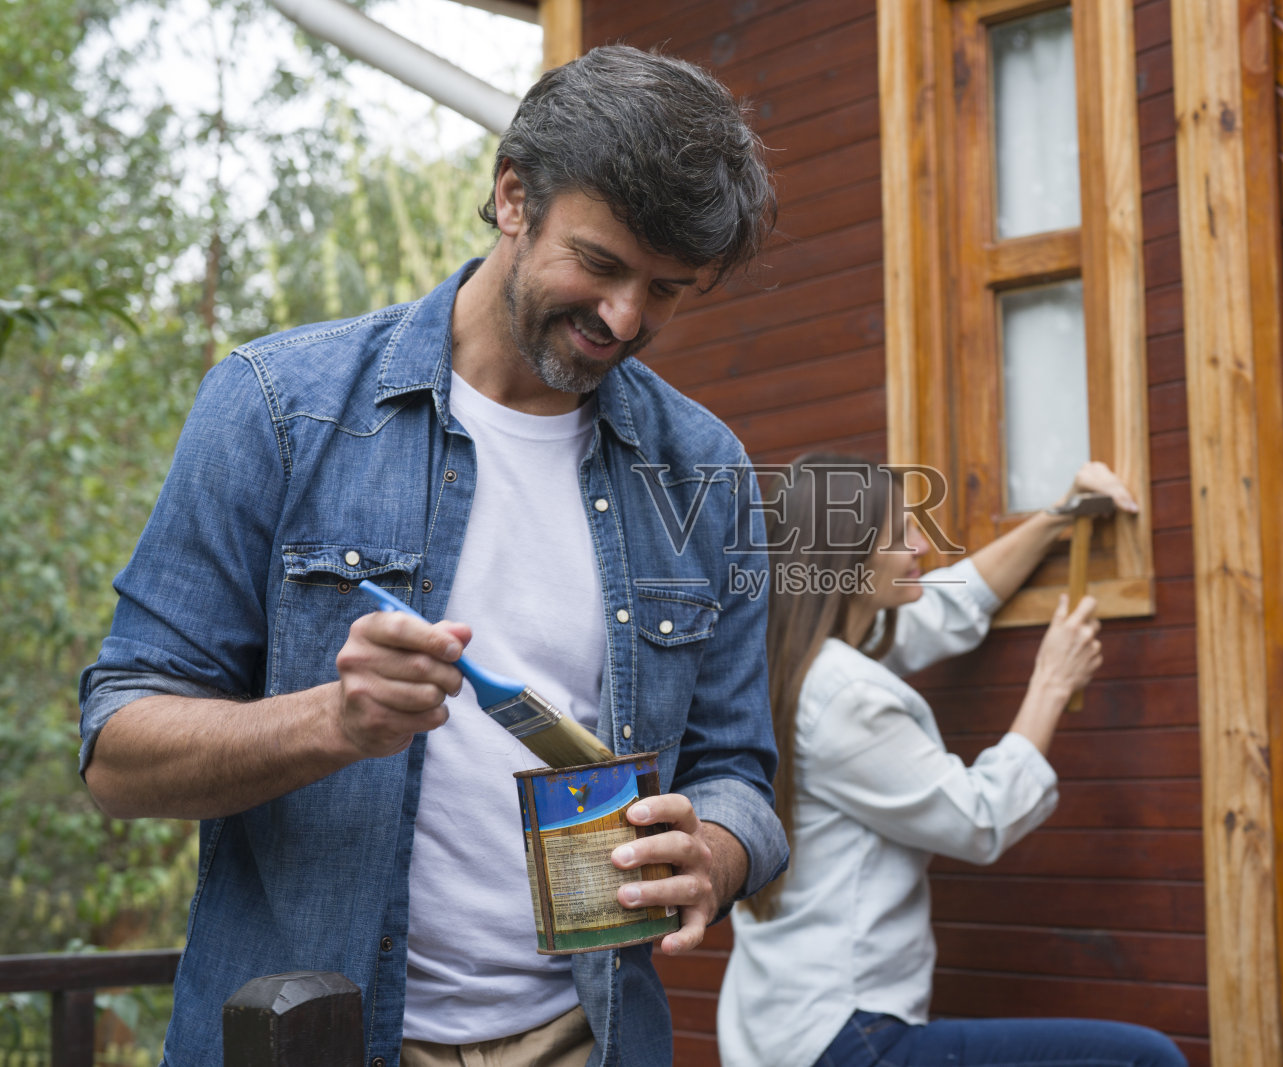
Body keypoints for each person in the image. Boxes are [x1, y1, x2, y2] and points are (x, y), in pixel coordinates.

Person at [78, 46, 785, 1067]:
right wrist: (332, 717)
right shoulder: (278, 409)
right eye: (599, 263)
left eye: (666, 290)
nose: (624, 318)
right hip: (321, 1036)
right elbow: (117, 756)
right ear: (512, 197)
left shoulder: (701, 466)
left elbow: (737, 773)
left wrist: (715, 849)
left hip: (588, 1039)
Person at [717, 454, 1188, 1067]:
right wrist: (1050, 683)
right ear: (849, 561)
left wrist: (1059, 516)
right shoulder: (845, 696)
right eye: (900, 534)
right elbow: (980, 818)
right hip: (846, 1036)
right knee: (1143, 1060)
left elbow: (947, 606)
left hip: (779, 1025)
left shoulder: (786, 662)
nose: (922, 544)